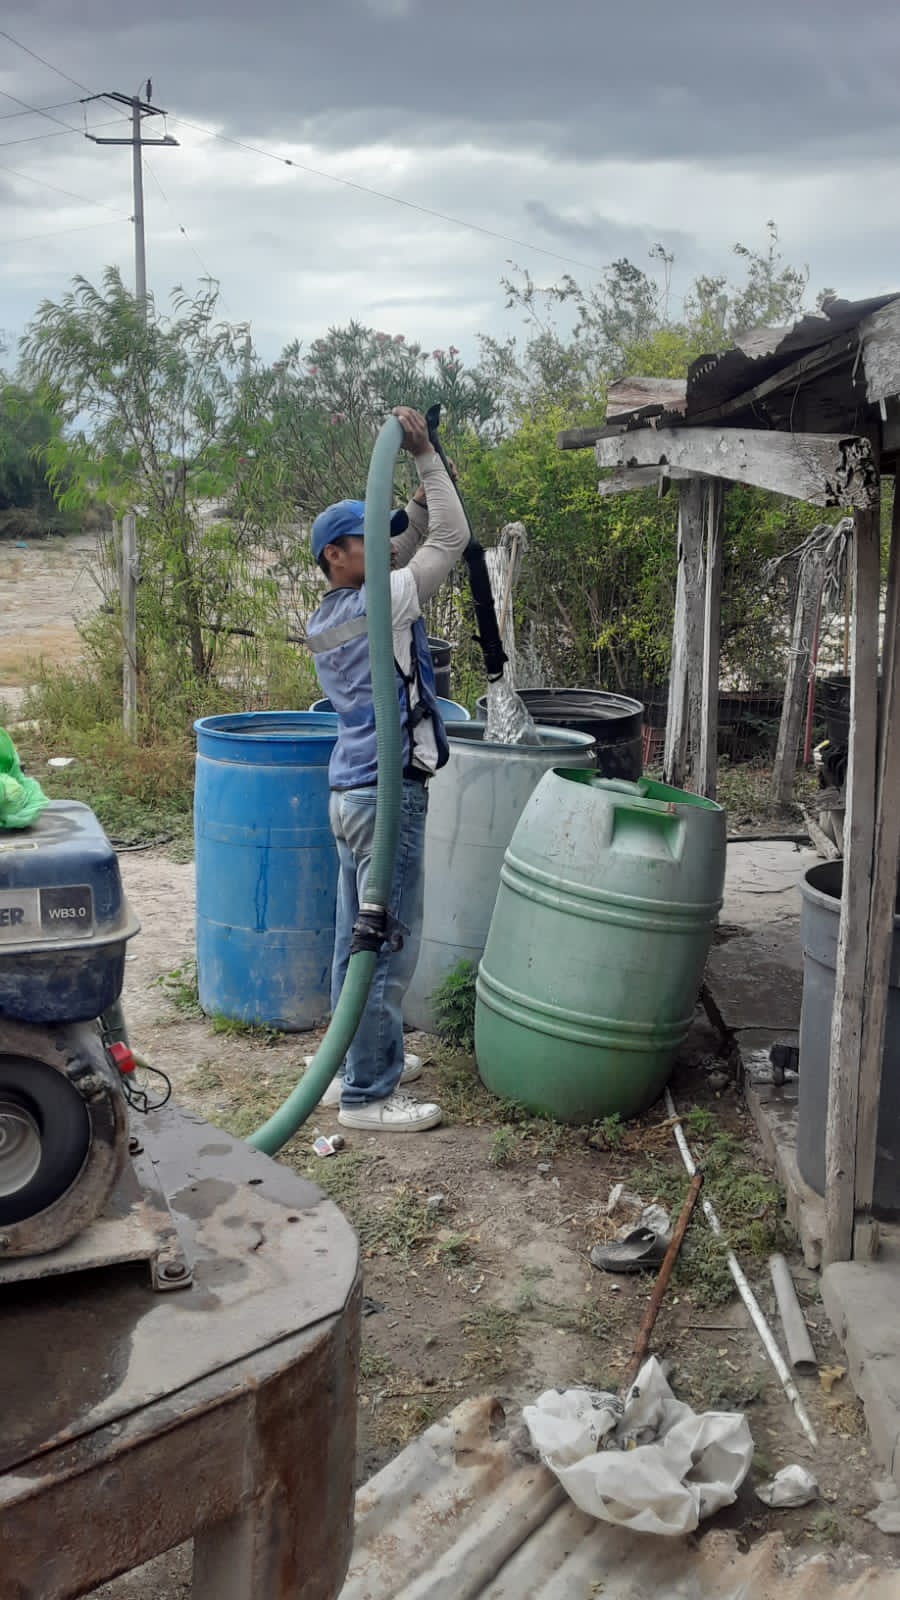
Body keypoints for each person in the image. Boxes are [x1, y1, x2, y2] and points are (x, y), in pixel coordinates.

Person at [305, 405, 470, 1132]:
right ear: (336, 557)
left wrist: (414, 488)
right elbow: (452, 539)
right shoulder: (389, 600)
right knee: (389, 947)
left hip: (347, 793)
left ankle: (355, 1063)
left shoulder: (327, 615)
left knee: (355, 944)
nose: (378, 547)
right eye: (360, 541)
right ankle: (370, 1095)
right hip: (387, 798)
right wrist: (426, 454)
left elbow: (404, 532)